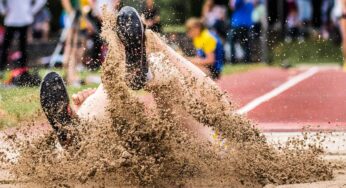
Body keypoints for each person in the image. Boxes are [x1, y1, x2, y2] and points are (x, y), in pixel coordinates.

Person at [40, 6, 233, 146]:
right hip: (158, 150)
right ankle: (81, 127)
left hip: (196, 149)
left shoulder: (233, 145)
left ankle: (77, 134)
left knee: (142, 71)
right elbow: (218, 102)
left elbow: (220, 108)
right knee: (113, 90)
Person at [0, 0, 46, 81]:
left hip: (24, 20)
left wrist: (31, 11)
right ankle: (1, 70)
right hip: (11, 20)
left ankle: (22, 71)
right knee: (6, 47)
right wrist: (3, 10)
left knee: (23, 48)